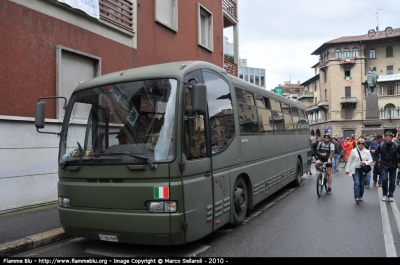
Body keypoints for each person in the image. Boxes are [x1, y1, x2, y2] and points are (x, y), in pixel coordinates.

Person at [373, 131, 400, 202]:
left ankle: (391, 195)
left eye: (389, 137)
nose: (388, 138)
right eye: (386, 137)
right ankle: (384, 194)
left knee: (392, 181)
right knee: (384, 180)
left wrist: (399, 162)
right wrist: (378, 161)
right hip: (384, 164)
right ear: (385, 138)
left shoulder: (396, 145)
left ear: (392, 138)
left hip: (393, 165)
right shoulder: (381, 145)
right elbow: (375, 153)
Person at [345, 137, 373, 203]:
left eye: (362, 143)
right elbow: (350, 160)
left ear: (364, 144)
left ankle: (360, 196)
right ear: (357, 144)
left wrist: (365, 162)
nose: (361, 144)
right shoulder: (353, 151)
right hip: (355, 169)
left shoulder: (367, 151)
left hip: (363, 169)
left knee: (362, 183)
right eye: (359, 143)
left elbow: (371, 160)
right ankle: (356, 197)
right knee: (357, 183)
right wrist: (347, 169)